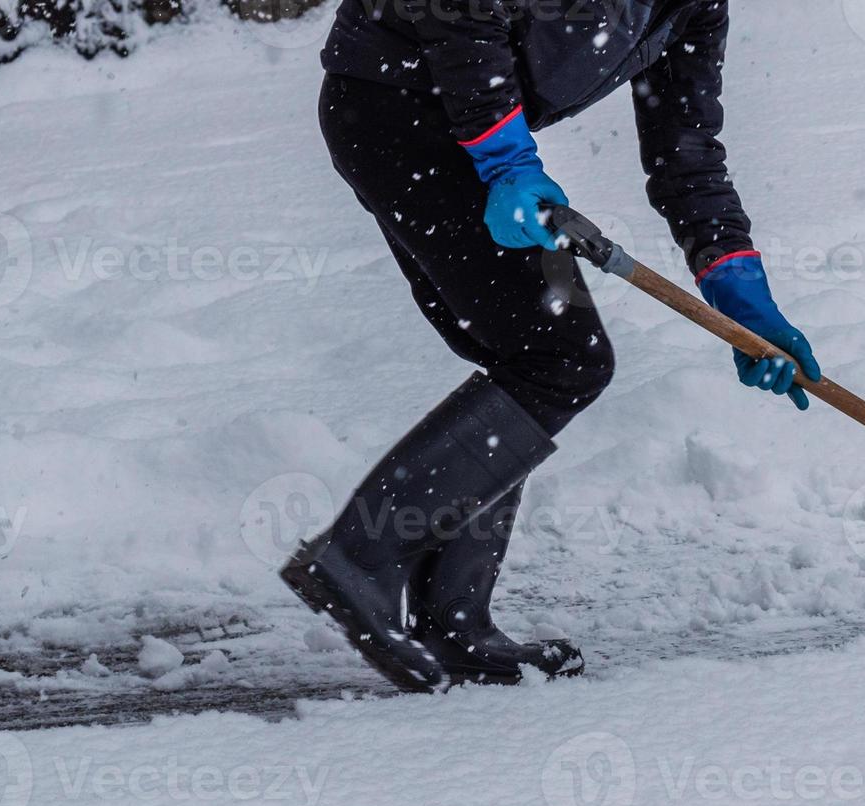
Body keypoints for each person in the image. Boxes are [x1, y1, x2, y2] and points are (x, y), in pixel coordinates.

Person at [285, 0, 819, 692]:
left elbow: (685, 152)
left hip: (450, 121)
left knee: (529, 362)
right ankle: (362, 557)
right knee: (559, 357)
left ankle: (454, 622)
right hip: (400, 107)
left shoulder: (694, 9)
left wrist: (741, 294)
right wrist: (507, 162)